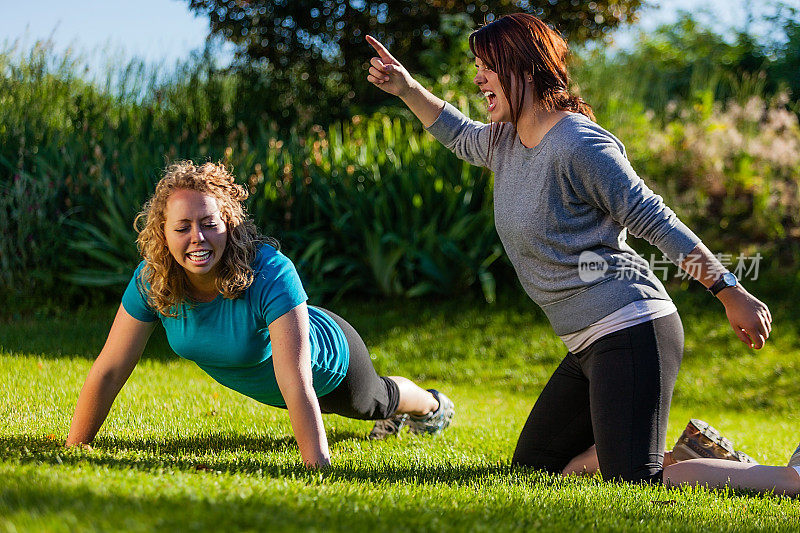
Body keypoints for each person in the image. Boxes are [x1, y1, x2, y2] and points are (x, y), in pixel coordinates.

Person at [365, 13, 798, 495]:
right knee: (537, 465)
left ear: (525, 70)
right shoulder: (506, 140)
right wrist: (406, 89)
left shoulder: (578, 144)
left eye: (487, 65)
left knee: (636, 482)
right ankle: (680, 453)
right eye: (476, 65)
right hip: (586, 343)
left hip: (631, 327)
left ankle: (790, 478)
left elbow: (653, 219)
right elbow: (458, 133)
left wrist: (728, 291)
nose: (477, 77)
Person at [65, 161, 454, 468]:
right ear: (162, 233)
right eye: (182, 227)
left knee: (374, 403)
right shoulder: (153, 279)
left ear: (228, 225)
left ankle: (432, 406)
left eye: (208, 223)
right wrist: (74, 450)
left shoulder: (269, 270)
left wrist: (317, 472)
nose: (196, 238)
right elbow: (110, 368)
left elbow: (296, 381)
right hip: (289, 347)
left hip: (330, 360)